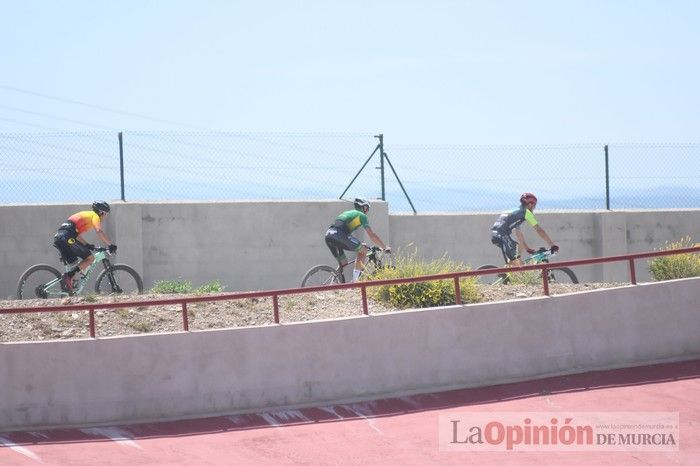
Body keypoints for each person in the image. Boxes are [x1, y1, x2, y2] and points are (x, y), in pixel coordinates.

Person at [53, 200, 117, 293]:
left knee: (74, 263)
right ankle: (68, 277)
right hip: (67, 237)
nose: (105, 216)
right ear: (101, 212)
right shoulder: (95, 216)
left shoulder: (86, 215)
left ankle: (68, 289)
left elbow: (77, 235)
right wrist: (110, 245)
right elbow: (99, 231)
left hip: (60, 237)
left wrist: (87, 245)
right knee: (90, 258)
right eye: (105, 214)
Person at [325, 198, 390, 282]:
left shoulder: (347, 213)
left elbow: (344, 232)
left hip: (329, 235)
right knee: (363, 250)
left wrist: (359, 244)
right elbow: (372, 235)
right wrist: (384, 247)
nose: (367, 211)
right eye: (367, 208)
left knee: (344, 263)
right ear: (363, 207)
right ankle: (355, 282)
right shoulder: (362, 216)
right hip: (339, 235)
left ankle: (334, 283)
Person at [490, 192, 559, 267]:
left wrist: (526, 248)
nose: (534, 208)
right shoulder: (526, 212)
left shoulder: (515, 211)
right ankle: (514, 271)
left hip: (495, 234)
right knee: (520, 267)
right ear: (530, 204)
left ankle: (507, 274)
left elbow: (518, 233)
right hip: (502, 235)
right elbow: (539, 230)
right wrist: (552, 245)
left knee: (517, 250)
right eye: (534, 206)